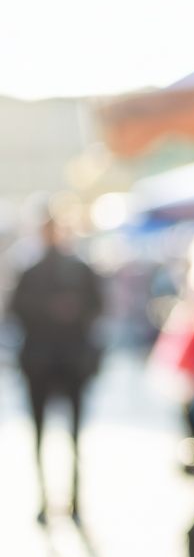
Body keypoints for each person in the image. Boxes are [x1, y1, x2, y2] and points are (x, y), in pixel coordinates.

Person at [9, 215, 103, 522]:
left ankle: (75, 497)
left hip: (72, 360)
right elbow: (16, 310)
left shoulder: (79, 269)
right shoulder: (31, 271)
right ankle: (44, 497)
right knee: (40, 432)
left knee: (75, 434)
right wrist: (50, 310)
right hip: (40, 361)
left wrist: (72, 311)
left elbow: (97, 306)